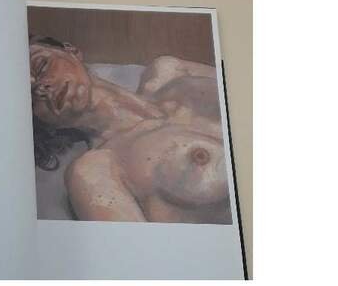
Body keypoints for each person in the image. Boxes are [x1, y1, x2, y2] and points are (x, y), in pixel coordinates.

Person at [29, 35, 231, 224]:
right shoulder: (95, 172)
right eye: (28, 95)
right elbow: (137, 247)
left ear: (71, 50)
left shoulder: (170, 69)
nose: (41, 88)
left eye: (41, 66)